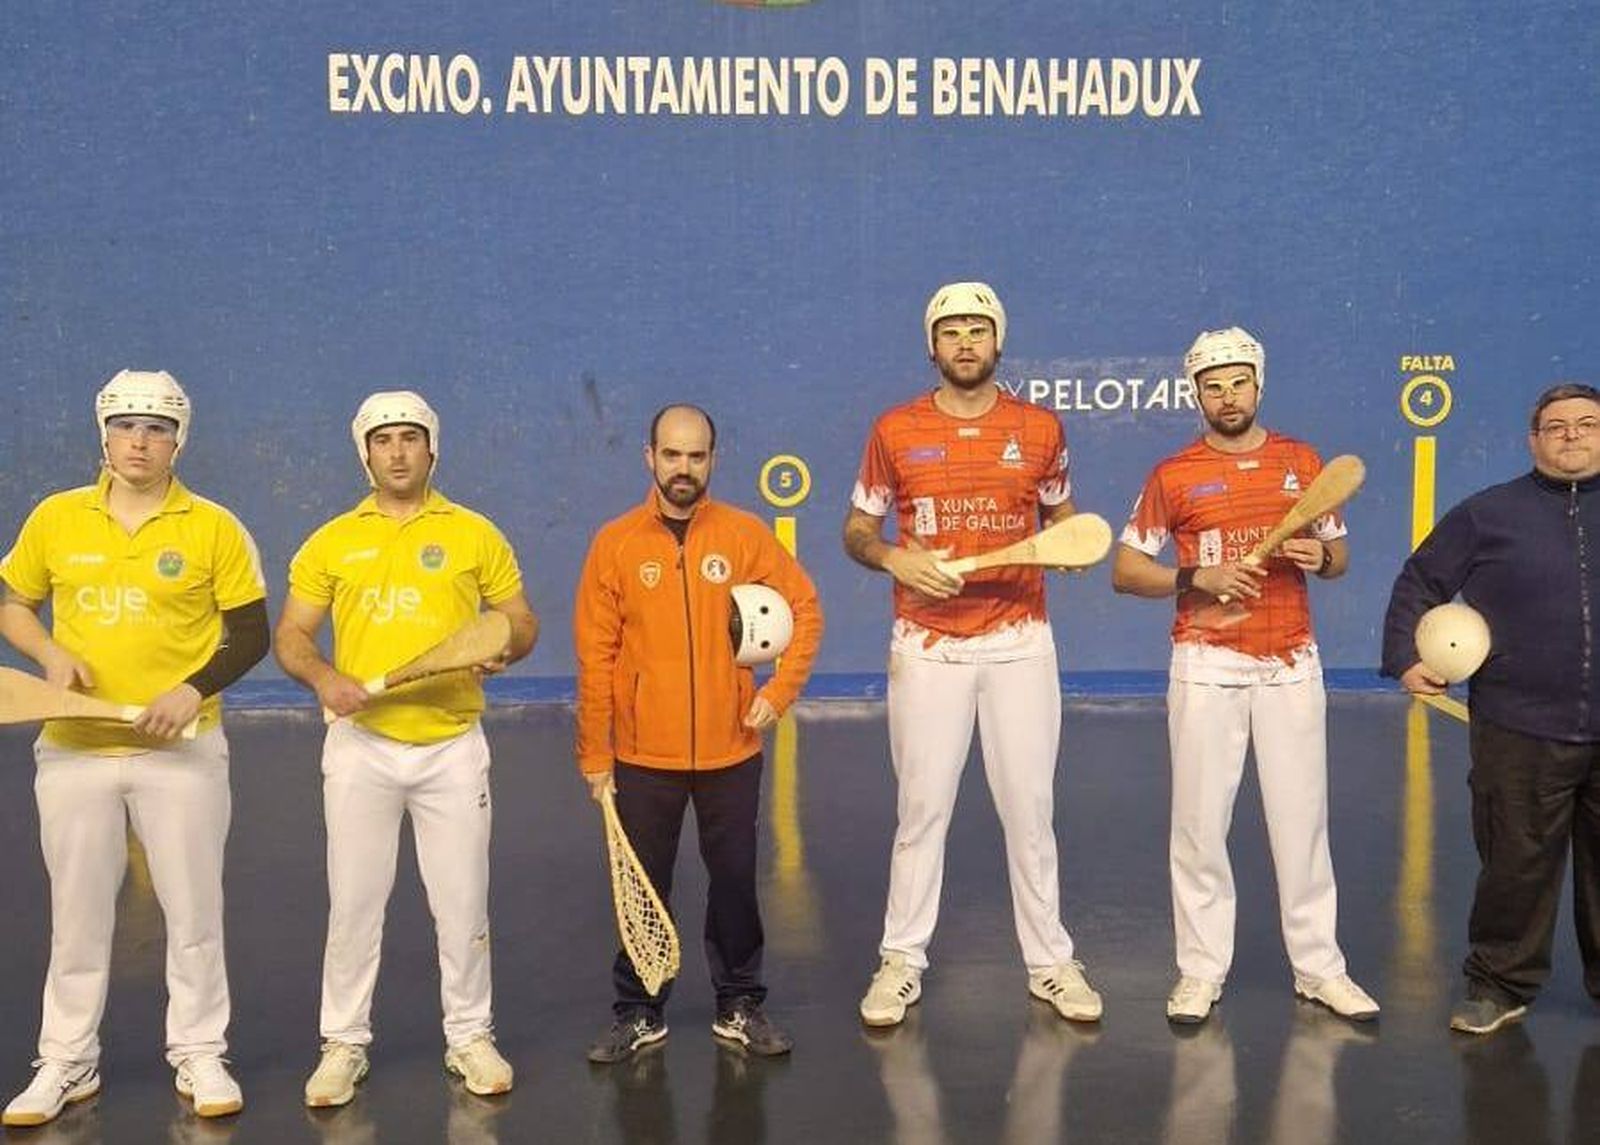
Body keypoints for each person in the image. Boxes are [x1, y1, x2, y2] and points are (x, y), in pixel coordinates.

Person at [0, 370, 269, 1126]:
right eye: (125, 426)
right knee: (77, 915)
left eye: (155, 428)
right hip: (75, 748)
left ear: (179, 440)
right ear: (104, 434)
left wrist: (193, 688)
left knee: (194, 911)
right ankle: (66, 1059)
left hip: (180, 752)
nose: (139, 442)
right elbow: (15, 605)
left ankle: (200, 1050)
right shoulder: (56, 518)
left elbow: (250, 631)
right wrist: (50, 653)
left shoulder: (214, 526)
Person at [844, 281, 1101, 1028]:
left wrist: (1068, 545)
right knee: (922, 810)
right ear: (932, 346)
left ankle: (1050, 962)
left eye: (977, 330)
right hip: (927, 647)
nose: (965, 342)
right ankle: (901, 958)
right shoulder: (894, 430)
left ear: (998, 342)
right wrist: (893, 557)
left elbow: (1063, 518)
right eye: (951, 331)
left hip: (1020, 642)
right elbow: (858, 530)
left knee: (1030, 809)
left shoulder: (1040, 428)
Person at [275, 391, 537, 1105]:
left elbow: (519, 620)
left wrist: (505, 646)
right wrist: (325, 677)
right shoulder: (332, 541)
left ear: (432, 448)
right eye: (383, 439)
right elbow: (291, 634)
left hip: (452, 746)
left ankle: (470, 1036)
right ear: (365, 453)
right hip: (361, 747)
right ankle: (343, 1043)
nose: (397, 451)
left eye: (410, 438)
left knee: (463, 904)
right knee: (354, 904)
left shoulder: (475, 533)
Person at [1111, 326, 1378, 1025]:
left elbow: (1338, 554)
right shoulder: (1173, 474)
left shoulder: (1301, 461)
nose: (1227, 396)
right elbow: (1126, 570)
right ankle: (1200, 970)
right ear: (1196, 395)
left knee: (1302, 823)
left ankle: (1320, 968)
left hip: (1291, 662)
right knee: (1199, 826)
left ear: (1258, 386)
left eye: (1238, 382)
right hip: (1206, 663)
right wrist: (1196, 576)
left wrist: (1322, 560)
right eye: (1213, 386)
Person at [574, 404, 822, 1063]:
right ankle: (638, 1010)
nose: (683, 468)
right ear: (649, 457)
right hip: (641, 755)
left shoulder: (744, 535)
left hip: (730, 750)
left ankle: (739, 1003)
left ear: (712, 460)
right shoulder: (615, 542)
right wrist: (595, 752)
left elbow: (805, 608)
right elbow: (595, 656)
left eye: (696, 455)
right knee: (642, 889)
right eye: (672, 454)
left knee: (735, 882)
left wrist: (778, 692)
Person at [1381, 381, 1600, 1035]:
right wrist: (1404, 654)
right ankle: (1499, 983)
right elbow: (1420, 579)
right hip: (1518, 724)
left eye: (1587, 424)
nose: (1571, 434)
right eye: (1556, 426)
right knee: (1514, 862)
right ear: (1533, 441)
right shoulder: (1488, 513)